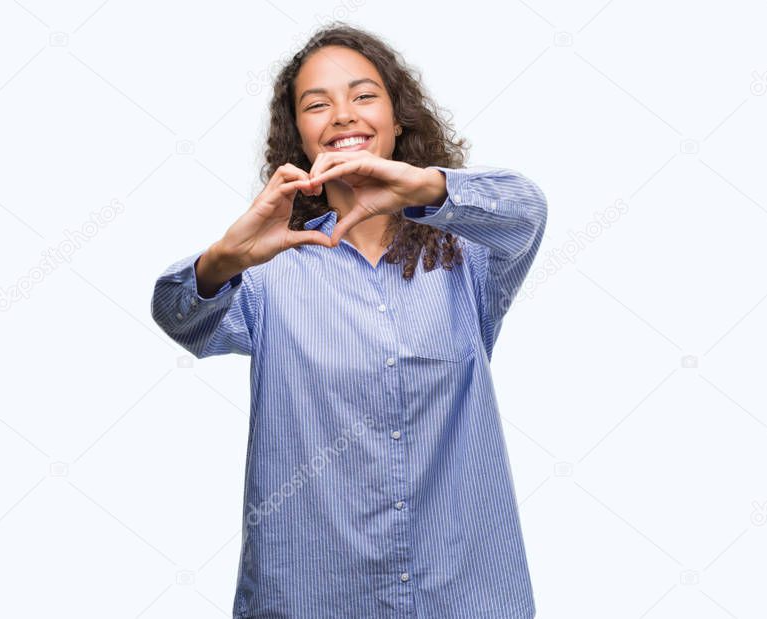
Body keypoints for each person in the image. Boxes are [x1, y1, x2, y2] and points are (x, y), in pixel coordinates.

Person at [150, 22, 547, 619]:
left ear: (397, 119)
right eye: (317, 104)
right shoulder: (268, 266)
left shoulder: (467, 255)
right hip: (311, 596)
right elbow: (180, 316)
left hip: (461, 594)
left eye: (363, 96)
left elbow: (526, 208)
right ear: (300, 135)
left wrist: (419, 188)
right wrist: (224, 258)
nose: (342, 115)